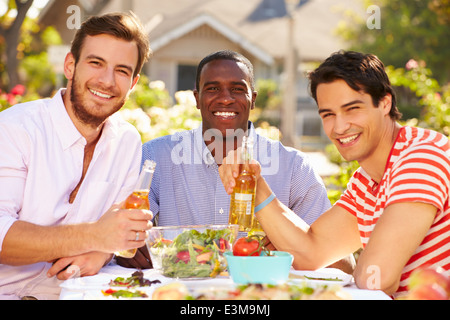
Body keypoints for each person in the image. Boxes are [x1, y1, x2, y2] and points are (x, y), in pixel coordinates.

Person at [219, 50, 450, 298]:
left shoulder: (421, 156)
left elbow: (377, 277)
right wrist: (256, 185)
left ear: (385, 103)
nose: (339, 127)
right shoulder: (366, 180)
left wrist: (361, 271)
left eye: (352, 109)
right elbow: (312, 252)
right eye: (328, 114)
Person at [116, 50, 355, 273]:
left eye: (238, 89)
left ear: (253, 99)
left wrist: (291, 244)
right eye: (212, 89)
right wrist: (127, 247)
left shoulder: (294, 167)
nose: (226, 99)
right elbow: (122, 234)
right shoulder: (155, 157)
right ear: (197, 99)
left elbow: (342, 265)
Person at [0, 12, 153, 300]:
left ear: (133, 83)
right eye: (96, 63)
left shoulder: (127, 141)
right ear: (70, 65)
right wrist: (96, 236)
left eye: (122, 70)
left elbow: (121, 227)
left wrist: (101, 251)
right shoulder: (14, 129)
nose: (107, 81)